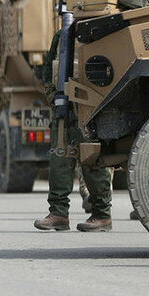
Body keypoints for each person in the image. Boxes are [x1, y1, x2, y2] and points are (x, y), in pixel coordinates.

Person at [34, 33, 112, 232]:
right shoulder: (63, 35)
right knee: (59, 158)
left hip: (92, 105)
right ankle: (58, 214)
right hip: (64, 107)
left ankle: (102, 215)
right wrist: (52, 95)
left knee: (92, 159)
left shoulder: (100, 31)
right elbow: (48, 67)